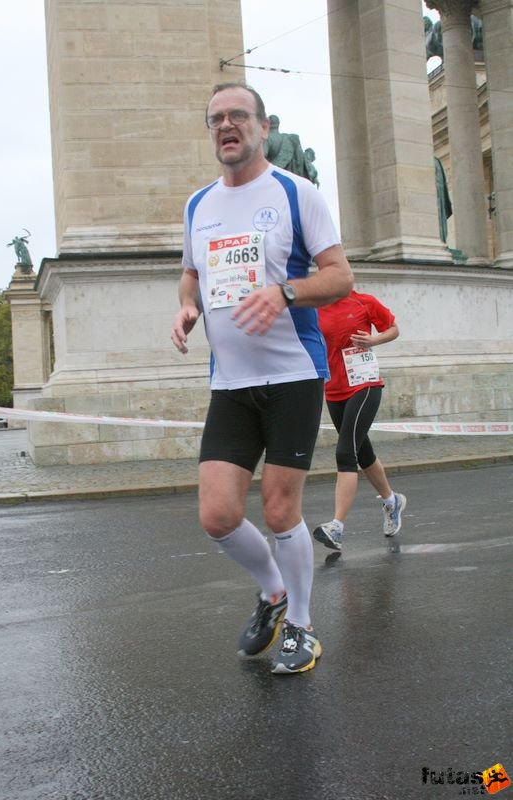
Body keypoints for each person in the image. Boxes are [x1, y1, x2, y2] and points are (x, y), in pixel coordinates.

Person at [171, 81, 354, 674]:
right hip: (230, 382)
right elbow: (191, 275)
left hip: (292, 375)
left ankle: (301, 624)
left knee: (280, 511)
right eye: (216, 118)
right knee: (218, 516)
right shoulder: (198, 204)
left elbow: (340, 276)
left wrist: (284, 292)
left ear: (263, 126)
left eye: (238, 116)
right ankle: (273, 593)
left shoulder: (297, 193)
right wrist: (188, 307)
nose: (227, 126)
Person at [312, 290, 406, 555]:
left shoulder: (363, 301)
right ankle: (392, 501)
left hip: (364, 384)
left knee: (345, 452)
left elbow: (393, 329)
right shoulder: (315, 306)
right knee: (363, 453)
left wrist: (374, 339)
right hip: (333, 389)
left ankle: (336, 527)